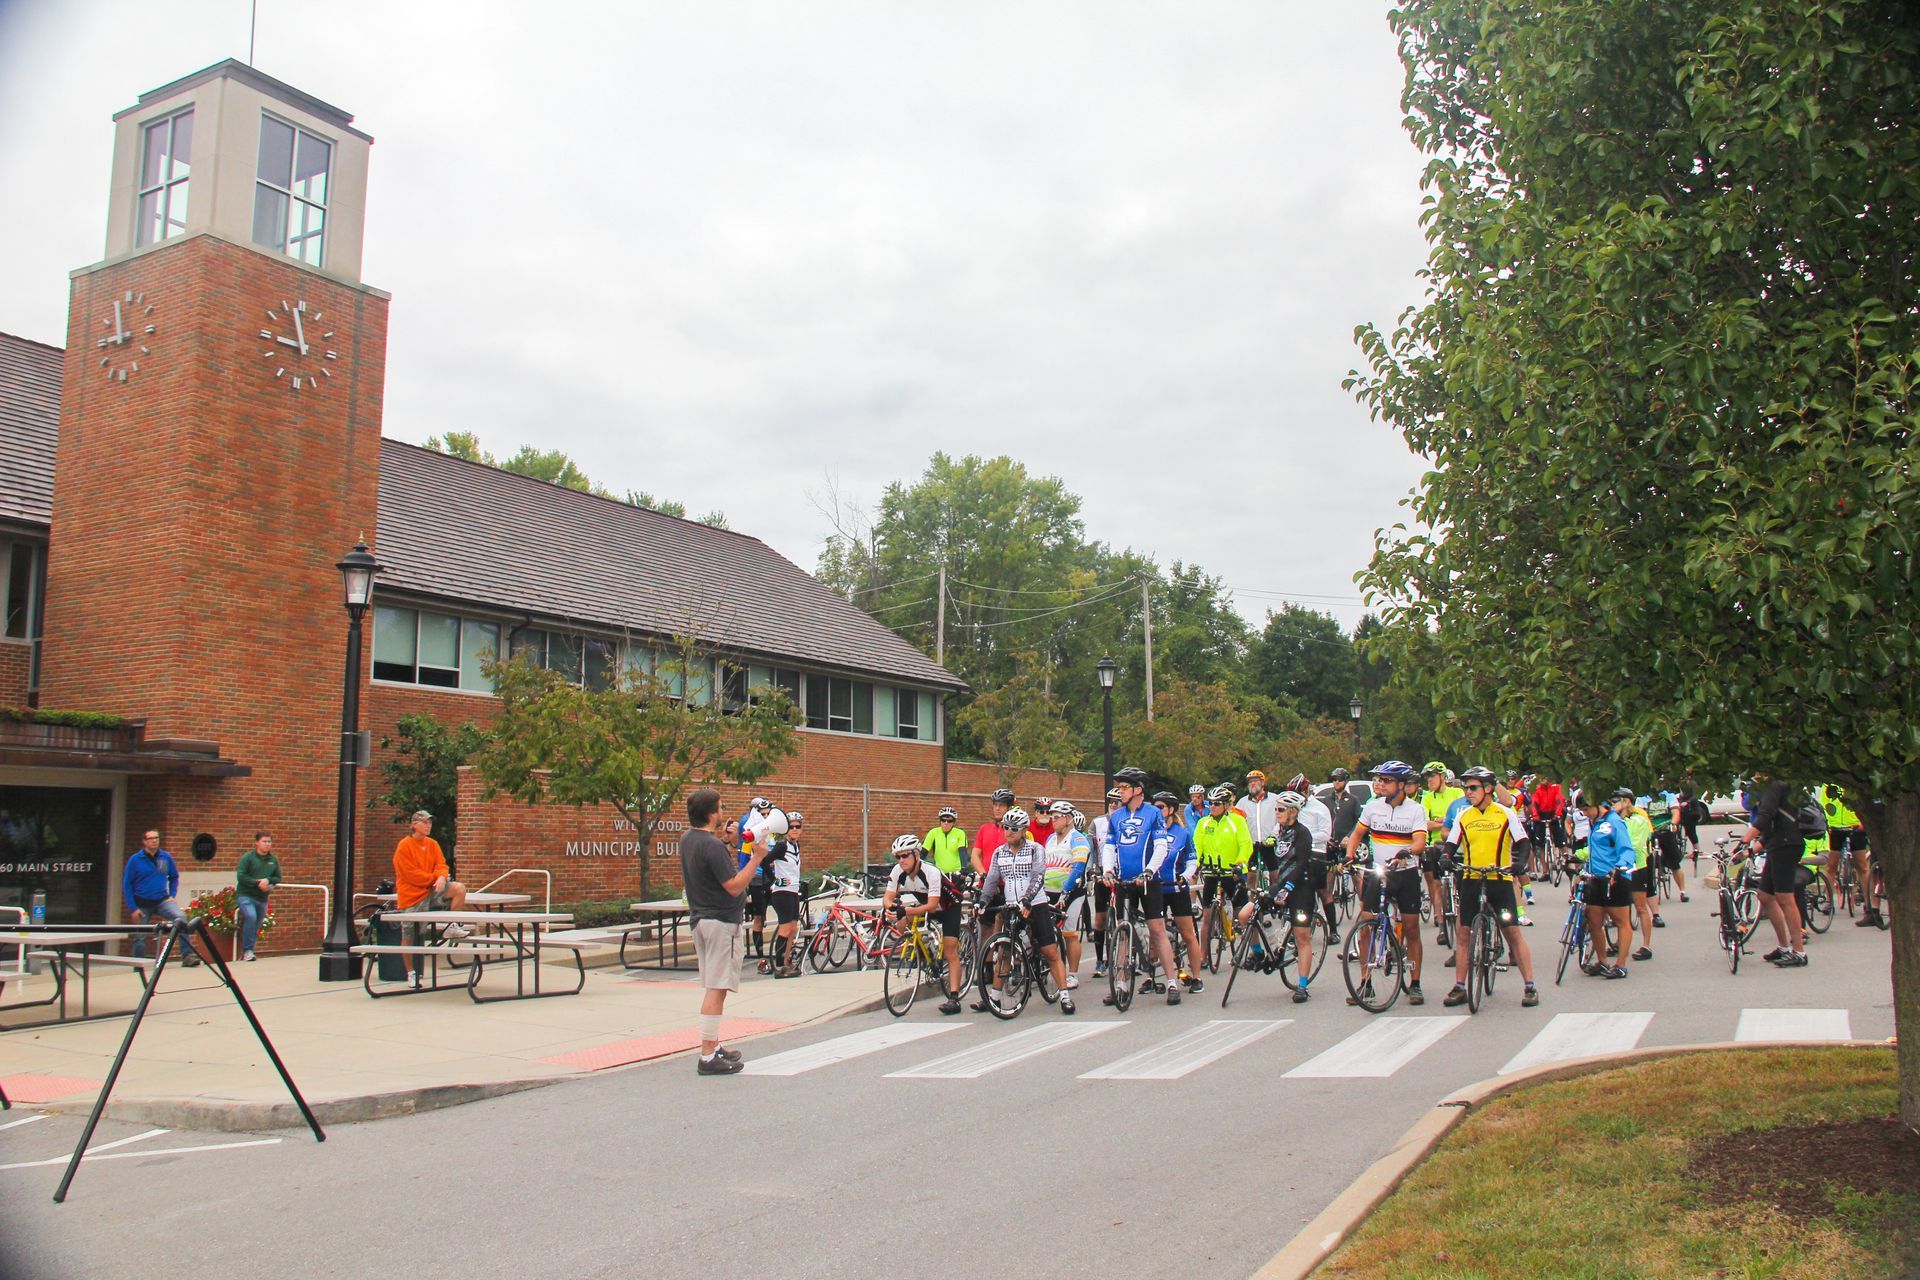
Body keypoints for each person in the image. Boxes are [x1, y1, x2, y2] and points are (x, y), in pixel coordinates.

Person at [681, 787, 771, 1074]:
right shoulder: (712, 846)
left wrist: (731, 844)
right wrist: (757, 857)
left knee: (714, 985)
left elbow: (710, 868)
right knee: (717, 988)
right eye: (720, 808)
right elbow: (733, 885)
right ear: (711, 813)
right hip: (720, 923)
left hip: (701, 920)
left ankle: (714, 1045)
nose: (723, 813)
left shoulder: (688, 839)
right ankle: (708, 1055)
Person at [1437, 767, 1539, 1008]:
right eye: (1465, 788)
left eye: (1473, 788)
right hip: (1472, 878)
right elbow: (1451, 844)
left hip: (1499, 880)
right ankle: (1460, 986)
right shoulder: (1465, 816)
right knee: (1463, 932)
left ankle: (1530, 986)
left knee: (1512, 931)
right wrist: (1445, 858)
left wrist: (1521, 864)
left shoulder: (1505, 813)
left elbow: (1523, 843)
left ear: (1488, 789)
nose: (1468, 793)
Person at [1345, 761, 1429, 1005]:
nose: (1380, 784)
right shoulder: (1372, 807)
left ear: (1401, 785)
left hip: (1405, 873)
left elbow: (1420, 843)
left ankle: (1415, 983)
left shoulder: (1414, 810)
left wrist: (1407, 851)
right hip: (1379, 872)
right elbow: (1357, 834)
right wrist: (1350, 856)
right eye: (1379, 780)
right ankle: (1366, 983)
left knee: (1412, 928)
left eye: (1386, 780)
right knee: (1366, 923)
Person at [1099, 766, 1182, 1005]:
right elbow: (1109, 847)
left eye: (1124, 787)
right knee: (1122, 932)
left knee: (1157, 929)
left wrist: (1149, 871)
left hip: (1148, 880)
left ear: (1138, 789)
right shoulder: (1116, 816)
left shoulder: (1153, 814)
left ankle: (1172, 983)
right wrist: (1107, 870)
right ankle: (1121, 983)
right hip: (1124, 880)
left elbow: (1161, 846)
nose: (1120, 792)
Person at [979, 808, 1075, 1015]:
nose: (1009, 832)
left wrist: (1028, 901)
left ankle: (1065, 996)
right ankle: (993, 998)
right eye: (1006, 827)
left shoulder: (1035, 849)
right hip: (1012, 905)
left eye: (1014, 828)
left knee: (1050, 951)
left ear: (1023, 830)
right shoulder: (999, 852)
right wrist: (982, 902)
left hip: (1035, 903)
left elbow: (1038, 877)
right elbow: (991, 880)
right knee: (1004, 952)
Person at [1244, 790, 1320, 1003]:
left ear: (1293, 812)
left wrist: (1287, 887)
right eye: (1275, 809)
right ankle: (1260, 952)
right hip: (1280, 884)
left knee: (1302, 936)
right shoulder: (1278, 831)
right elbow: (1273, 856)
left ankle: (1302, 986)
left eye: (1280, 810)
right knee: (1246, 914)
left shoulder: (1302, 833)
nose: (1276, 813)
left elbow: (1302, 863)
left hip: (1301, 887)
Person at [880, 833, 966, 1014]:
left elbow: (933, 906)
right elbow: (887, 898)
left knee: (950, 950)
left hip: (948, 906)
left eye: (905, 855)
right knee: (902, 920)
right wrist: (892, 908)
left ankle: (954, 998)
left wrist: (906, 910)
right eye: (898, 856)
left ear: (916, 855)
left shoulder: (931, 873)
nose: (901, 860)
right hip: (926, 905)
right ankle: (921, 952)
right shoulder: (897, 871)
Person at [393, 809, 469, 988]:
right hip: (412, 895)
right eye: (424, 822)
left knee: (459, 888)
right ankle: (411, 972)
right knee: (409, 935)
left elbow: (441, 864)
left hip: (433, 889)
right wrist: (435, 879)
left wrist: (442, 877)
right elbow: (410, 874)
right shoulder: (404, 846)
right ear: (414, 825)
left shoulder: (433, 844)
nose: (428, 826)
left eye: (430, 823)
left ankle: (452, 925)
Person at [1746, 779, 1808, 967]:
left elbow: (1765, 816)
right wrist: (1751, 849)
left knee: (1785, 897)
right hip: (1778, 843)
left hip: (1786, 845)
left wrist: (1746, 839)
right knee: (1765, 895)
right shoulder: (1778, 787)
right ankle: (1783, 947)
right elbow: (1774, 825)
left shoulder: (1777, 785)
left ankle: (1799, 951)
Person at [1151, 792, 1206, 996]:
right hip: (1156, 888)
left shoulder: (1182, 833)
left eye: (1161, 807)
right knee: (1155, 933)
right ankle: (1151, 976)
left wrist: (1185, 876)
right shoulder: (1151, 831)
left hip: (1176, 888)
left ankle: (1197, 976)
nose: (1157, 811)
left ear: (1171, 810)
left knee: (1188, 934)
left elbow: (1192, 860)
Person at [122, 829, 200, 967]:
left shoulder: (164, 857)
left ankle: (187, 955)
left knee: (180, 918)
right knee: (140, 935)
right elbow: (127, 884)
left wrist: (172, 894)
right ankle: (138, 964)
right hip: (142, 903)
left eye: (156, 838)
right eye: (151, 838)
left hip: (162, 901)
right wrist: (133, 908)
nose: (154, 841)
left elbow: (174, 876)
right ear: (144, 841)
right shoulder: (135, 860)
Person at [1579, 791, 1636, 978]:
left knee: (1621, 922)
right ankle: (1602, 961)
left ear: (1598, 804)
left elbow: (1627, 849)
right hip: (1596, 878)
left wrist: (1620, 867)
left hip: (1615, 878)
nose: (1585, 814)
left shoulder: (1614, 821)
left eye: (1587, 809)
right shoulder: (1594, 822)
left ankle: (1620, 965)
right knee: (1594, 920)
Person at [1194, 784, 1252, 962]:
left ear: (1227, 805)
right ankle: (1202, 956)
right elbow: (1197, 845)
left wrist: (1240, 862)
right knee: (1206, 916)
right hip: (1211, 871)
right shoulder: (1204, 823)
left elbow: (1245, 845)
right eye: (1210, 803)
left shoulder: (1237, 821)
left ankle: (1244, 947)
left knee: (1240, 911)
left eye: (1216, 803)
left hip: (1231, 871)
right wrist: (1196, 864)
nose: (1212, 807)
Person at [1042, 801, 1092, 988]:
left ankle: (1072, 974)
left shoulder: (1078, 839)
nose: (1052, 821)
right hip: (1049, 891)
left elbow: (1078, 867)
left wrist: (1066, 891)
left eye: (1056, 817)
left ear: (1068, 819)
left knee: (1069, 933)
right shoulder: (1050, 839)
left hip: (1072, 892)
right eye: (1051, 817)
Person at [1290, 773, 1339, 946]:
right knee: (1296, 891)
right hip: (1296, 853)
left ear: (1306, 792)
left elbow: (1326, 834)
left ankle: (1333, 930)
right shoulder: (1292, 807)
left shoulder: (1320, 808)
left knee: (1323, 891)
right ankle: (1295, 928)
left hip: (1316, 853)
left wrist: (1304, 838)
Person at [1823, 784, 1881, 929]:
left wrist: (1863, 822)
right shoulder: (1828, 784)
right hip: (1835, 827)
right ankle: (1828, 901)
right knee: (1831, 866)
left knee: (1862, 866)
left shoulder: (1852, 781)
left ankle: (1869, 904)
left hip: (1856, 827)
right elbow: (1822, 805)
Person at [1418, 763, 1464, 935]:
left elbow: (1461, 818)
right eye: (1427, 777)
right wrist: (1446, 822)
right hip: (1435, 845)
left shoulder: (1456, 793)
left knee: (1461, 882)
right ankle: (1440, 919)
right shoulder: (1427, 797)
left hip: (1456, 843)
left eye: (1432, 776)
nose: (1429, 780)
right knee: (1437, 883)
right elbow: (1424, 823)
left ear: (1443, 777)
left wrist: (1439, 821)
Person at [742, 796, 787, 961]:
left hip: (775, 876)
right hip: (759, 877)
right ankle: (761, 958)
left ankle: (783, 954)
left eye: (768, 814)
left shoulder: (775, 831)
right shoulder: (754, 830)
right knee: (759, 917)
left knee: (784, 914)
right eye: (763, 814)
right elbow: (749, 856)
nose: (766, 817)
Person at [762, 810, 804, 977]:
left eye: (797, 826)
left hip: (793, 891)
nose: (794, 829)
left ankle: (787, 961)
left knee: (793, 928)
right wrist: (774, 879)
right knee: (785, 930)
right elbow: (765, 861)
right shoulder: (782, 845)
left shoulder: (796, 846)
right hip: (782, 892)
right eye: (791, 827)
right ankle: (779, 967)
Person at [1089, 785, 1123, 978]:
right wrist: (1092, 869)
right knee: (1100, 919)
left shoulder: (1127, 821)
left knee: (1125, 917)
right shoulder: (1098, 822)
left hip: (1122, 874)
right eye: (1110, 801)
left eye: (1117, 802)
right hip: (1103, 873)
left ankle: (1128, 957)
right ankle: (1100, 960)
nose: (1113, 805)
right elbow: (1092, 848)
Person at [234, 831, 282, 962]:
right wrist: (257, 883)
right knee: (251, 916)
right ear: (256, 843)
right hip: (246, 895)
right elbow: (241, 876)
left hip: (262, 898)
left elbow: (277, 877)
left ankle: (249, 950)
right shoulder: (248, 858)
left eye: (269, 842)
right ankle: (247, 951)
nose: (267, 844)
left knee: (257, 924)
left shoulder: (273, 860)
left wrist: (268, 881)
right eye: (264, 841)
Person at [1622, 791, 1657, 959]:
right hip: (1620, 866)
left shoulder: (1639, 817)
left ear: (1627, 802)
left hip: (1638, 866)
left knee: (1640, 907)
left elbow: (1637, 843)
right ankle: (1620, 942)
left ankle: (1646, 945)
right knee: (1619, 908)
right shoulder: (1614, 818)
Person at [1238, 770, 1280, 876]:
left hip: (1270, 843)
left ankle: (1274, 893)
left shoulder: (1275, 799)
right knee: (1251, 877)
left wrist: (1274, 835)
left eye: (1256, 781)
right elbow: (1236, 822)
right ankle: (1252, 893)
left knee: (1275, 876)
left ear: (1262, 783)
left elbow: (1281, 820)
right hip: (1252, 845)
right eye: (1250, 781)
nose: (1252, 784)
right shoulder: (1243, 802)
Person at [923, 806, 969, 890]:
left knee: (956, 900)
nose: (946, 823)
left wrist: (964, 868)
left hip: (956, 874)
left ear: (954, 822)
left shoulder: (960, 833)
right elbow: (924, 852)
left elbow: (962, 852)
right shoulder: (933, 833)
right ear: (940, 821)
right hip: (940, 874)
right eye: (943, 820)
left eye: (949, 821)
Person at [974, 787, 1014, 875]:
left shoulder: (1015, 831)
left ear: (1009, 808)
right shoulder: (984, 828)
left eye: (1001, 805)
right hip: (986, 881)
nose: (997, 808)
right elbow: (975, 856)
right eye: (995, 805)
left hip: (1007, 883)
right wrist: (983, 875)